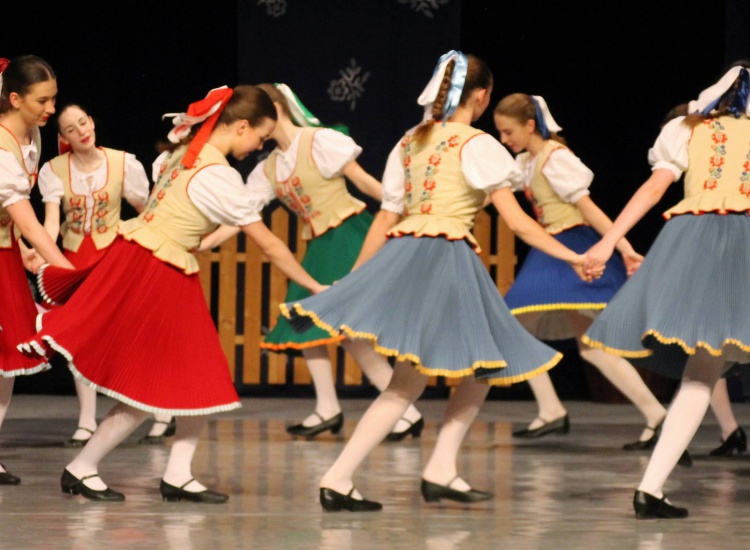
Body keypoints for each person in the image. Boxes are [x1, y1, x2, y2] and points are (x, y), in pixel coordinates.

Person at [280, 51, 598, 511]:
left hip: (405, 253)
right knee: (479, 363)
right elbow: (518, 223)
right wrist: (574, 257)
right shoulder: (479, 144)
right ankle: (420, 470)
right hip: (445, 258)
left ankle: (364, 475)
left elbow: (385, 219)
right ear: (482, 96)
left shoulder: (409, 140)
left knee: (423, 378)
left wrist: (354, 280)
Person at [18, 84, 326, 503]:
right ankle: (88, 466)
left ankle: (164, 471)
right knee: (156, 379)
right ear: (241, 126)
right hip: (156, 269)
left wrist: (199, 239)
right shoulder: (216, 173)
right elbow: (269, 245)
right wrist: (314, 286)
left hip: (153, 260)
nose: (259, 146)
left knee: (198, 374)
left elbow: (180, 216)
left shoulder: (183, 154)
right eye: (261, 136)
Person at [199, 83, 423, 440]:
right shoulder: (270, 167)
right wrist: (209, 241)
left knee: (346, 332)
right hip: (320, 246)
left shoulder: (319, 141)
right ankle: (330, 408)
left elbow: (363, 182)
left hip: (349, 236)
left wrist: (405, 211)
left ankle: (403, 411)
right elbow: (243, 215)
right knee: (309, 325)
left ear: (276, 108)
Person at [582, 62, 750, 519]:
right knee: (705, 369)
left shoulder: (685, 129)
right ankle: (652, 487)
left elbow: (654, 189)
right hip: (739, 242)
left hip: (691, 241)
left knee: (702, 369)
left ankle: (651, 488)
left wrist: (608, 241)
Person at [493, 93, 673, 451]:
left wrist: (623, 248)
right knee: (584, 345)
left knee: (515, 327)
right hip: (551, 249)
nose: (504, 139)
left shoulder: (556, 158)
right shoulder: (525, 161)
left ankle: (558, 410)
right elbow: (492, 193)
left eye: (508, 131)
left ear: (530, 125)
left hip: (571, 246)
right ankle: (652, 415)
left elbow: (589, 209)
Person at [37, 103, 175, 447]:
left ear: (92, 122)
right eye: (71, 129)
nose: (81, 131)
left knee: (133, 334)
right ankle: (86, 420)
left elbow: (145, 210)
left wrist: (155, 249)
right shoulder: (54, 169)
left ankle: (160, 411)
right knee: (78, 338)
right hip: (73, 260)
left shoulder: (122, 163)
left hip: (113, 259)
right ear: (64, 137)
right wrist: (41, 251)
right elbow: (52, 222)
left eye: (83, 122)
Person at [0, 54, 75, 485]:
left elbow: (18, 222)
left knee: (8, 358)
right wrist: (67, 270)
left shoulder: (31, 137)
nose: (51, 108)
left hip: (5, 252)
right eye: (42, 100)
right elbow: (27, 220)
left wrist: (25, 250)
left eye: (53, 99)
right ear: (15, 99)